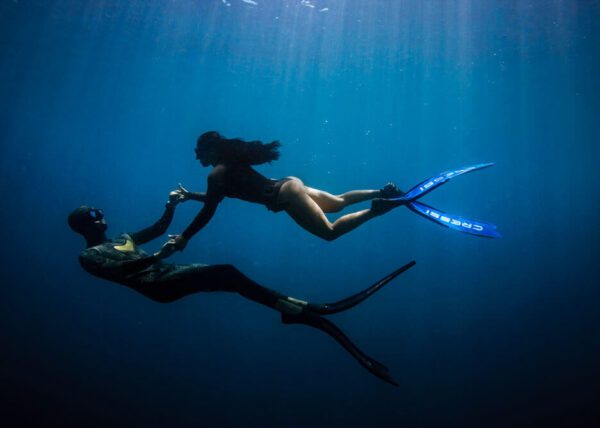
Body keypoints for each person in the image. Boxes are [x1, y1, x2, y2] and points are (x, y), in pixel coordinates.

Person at [67, 189, 416, 385]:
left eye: (98, 211)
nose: (101, 216)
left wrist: (170, 207)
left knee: (229, 276)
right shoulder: (90, 257)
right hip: (158, 285)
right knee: (227, 273)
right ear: (85, 224)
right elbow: (126, 271)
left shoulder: (123, 238)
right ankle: (293, 309)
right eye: (93, 214)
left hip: (167, 271)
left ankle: (293, 308)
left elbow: (158, 228)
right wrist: (161, 253)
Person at [159, 131, 404, 256]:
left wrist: (185, 237)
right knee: (338, 202)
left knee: (329, 233)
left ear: (210, 149)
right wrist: (190, 195)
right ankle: (383, 191)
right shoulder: (227, 166)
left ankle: (377, 208)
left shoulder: (216, 175)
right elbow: (214, 199)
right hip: (289, 183)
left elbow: (209, 210)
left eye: (198, 151)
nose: (196, 156)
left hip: (285, 196)